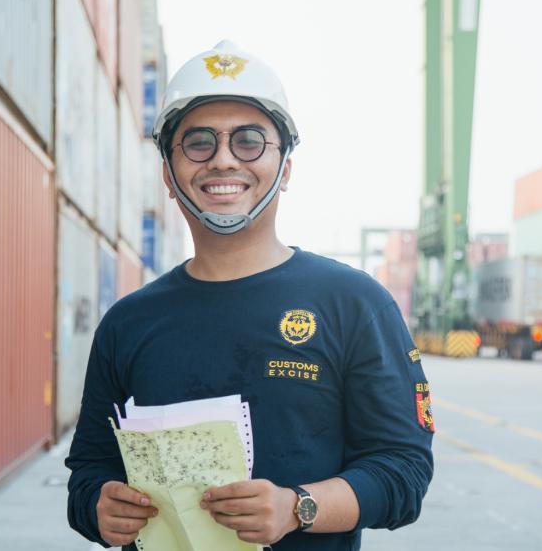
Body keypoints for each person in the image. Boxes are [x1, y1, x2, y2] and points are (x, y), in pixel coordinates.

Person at [65, 40, 434, 551]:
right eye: (198, 142)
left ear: (284, 169)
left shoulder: (354, 303)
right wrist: (97, 508)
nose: (222, 160)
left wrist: (297, 507)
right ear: (168, 176)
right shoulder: (128, 322)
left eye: (249, 141)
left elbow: (404, 471)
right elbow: (89, 469)